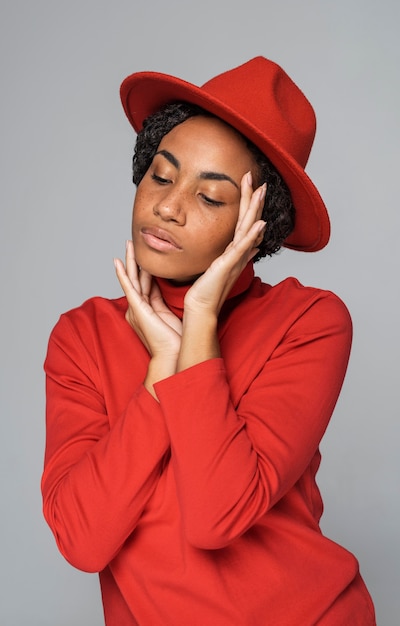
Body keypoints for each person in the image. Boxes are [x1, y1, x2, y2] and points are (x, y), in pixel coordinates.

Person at [41, 57, 376, 625]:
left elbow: (218, 515)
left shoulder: (309, 321)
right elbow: (82, 540)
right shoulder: (82, 336)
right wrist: (158, 376)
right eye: (162, 176)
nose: (167, 207)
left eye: (211, 198)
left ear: (256, 226)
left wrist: (199, 323)